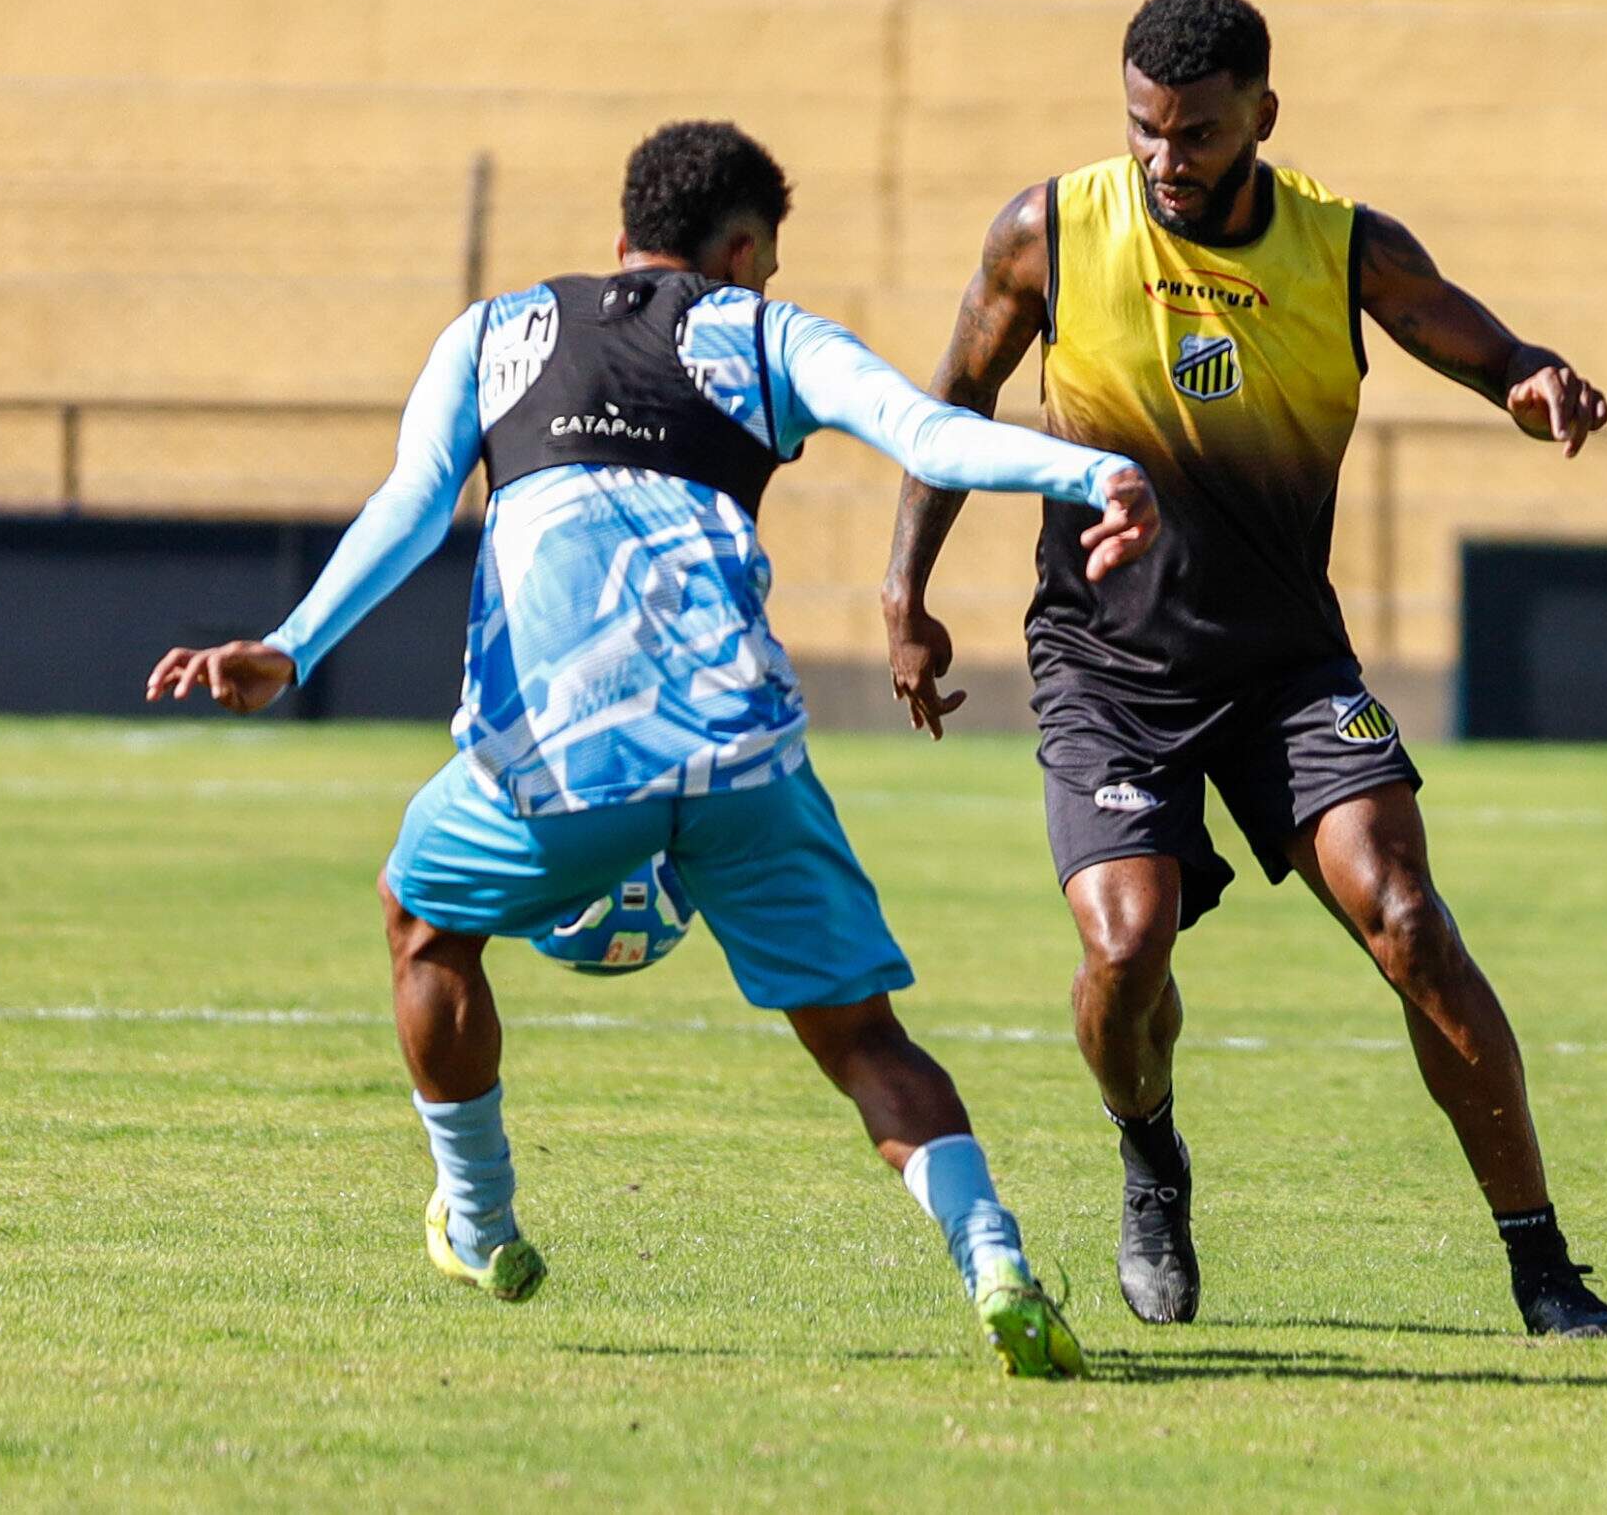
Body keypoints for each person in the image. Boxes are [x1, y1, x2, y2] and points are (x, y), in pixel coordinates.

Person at [145, 120, 1161, 1377]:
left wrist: (292, 645)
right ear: (740, 251)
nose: (768, 285)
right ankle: (996, 1259)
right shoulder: (768, 335)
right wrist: (1093, 473)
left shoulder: (493, 335)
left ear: (623, 227)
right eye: (767, 265)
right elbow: (928, 435)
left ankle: (480, 1221)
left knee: (421, 921)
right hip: (745, 752)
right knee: (864, 1043)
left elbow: (411, 507)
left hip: (561, 760)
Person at [879, 0, 1607, 1337]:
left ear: (1261, 118)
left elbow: (1489, 346)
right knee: (1127, 942)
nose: (1169, 157)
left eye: (1201, 132)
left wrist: (1537, 380)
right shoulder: (1050, 230)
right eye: (1148, 128)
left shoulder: (1342, 247)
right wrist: (904, 591)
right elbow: (955, 406)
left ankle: (1543, 1262)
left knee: (1408, 918)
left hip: (1285, 664)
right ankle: (1149, 1152)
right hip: (1108, 662)